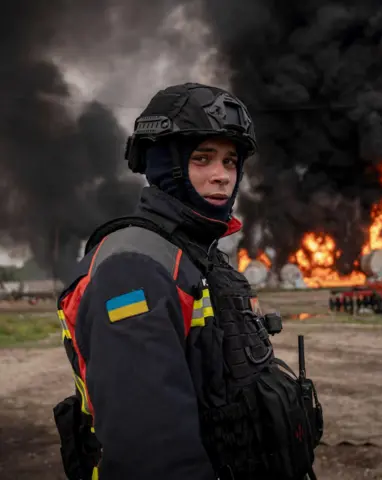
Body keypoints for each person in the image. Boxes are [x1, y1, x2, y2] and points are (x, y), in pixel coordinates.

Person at [53, 82, 323, 480]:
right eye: (202, 159)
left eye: (230, 162)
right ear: (165, 165)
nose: (222, 177)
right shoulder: (134, 266)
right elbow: (152, 452)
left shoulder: (199, 255)